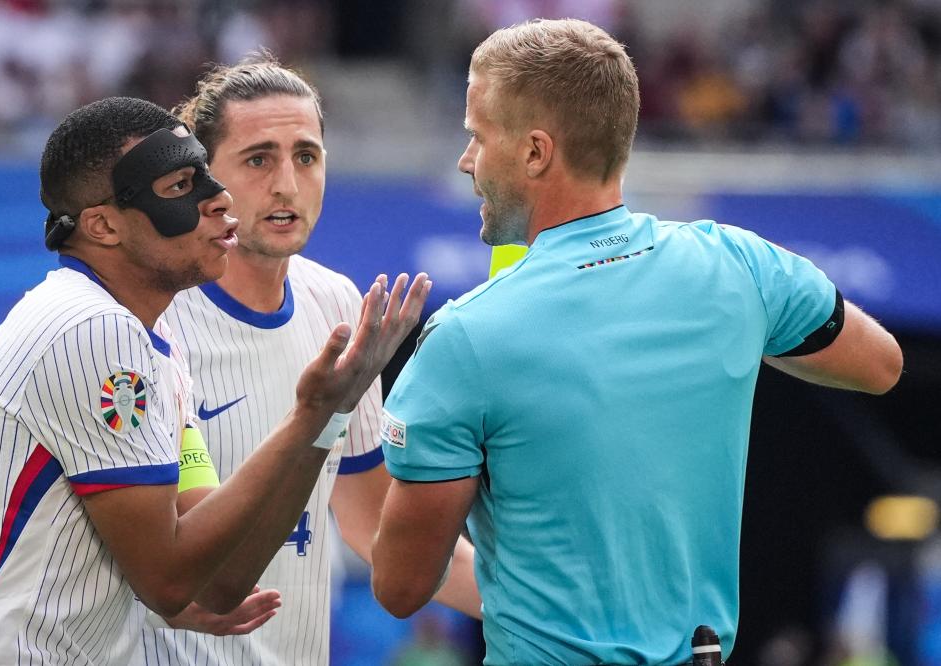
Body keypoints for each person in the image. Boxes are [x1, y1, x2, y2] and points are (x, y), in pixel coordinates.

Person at [371, 18, 904, 665]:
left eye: (477, 138)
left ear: (536, 152)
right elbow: (881, 364)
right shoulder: (738, 265)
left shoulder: (464, 337)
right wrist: (726, 333)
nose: (465, 161)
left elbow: (399, 586)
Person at [0, 96, 429, 665]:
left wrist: (323, 420)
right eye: (179, 186)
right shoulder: (91, 329)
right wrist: (308, 417)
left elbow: (219, 580)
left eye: (204, 175)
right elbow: (174, 582)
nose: (218, 199)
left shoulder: (152, 340)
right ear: (102, 225)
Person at [130, 54, 480, 665]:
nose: (287, 185)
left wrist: (542, 605)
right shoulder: (149, 321)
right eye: (258, 159)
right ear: (200, 180)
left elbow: (375, 526)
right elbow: (177, 566)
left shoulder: (335, 303)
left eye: (306, 156)